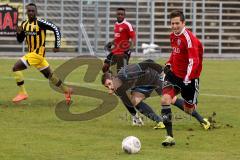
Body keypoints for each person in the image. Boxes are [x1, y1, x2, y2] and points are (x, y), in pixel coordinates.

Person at [102, 60, 210, 132]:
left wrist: (162, 71)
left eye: (109, 84)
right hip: (144, 85)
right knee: (134, 100)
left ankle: (202, 120)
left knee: (170, 100)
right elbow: (128, 103)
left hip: (154, 77)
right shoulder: (117, 89)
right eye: (107, 87)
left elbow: (148, 63)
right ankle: (160, 121)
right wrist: (135, 116)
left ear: (113, 78)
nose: (110, 88)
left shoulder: (126, 73)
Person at [160, 10, 210, 147]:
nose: (174, 26)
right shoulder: (172, 36)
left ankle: (200, 117)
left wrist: (187, 79)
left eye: (177, 23)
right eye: (172, 23)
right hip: (174, 76)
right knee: (164, 99)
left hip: (190, 79)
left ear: (183, 23)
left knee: (189, 109)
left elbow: (194, 61)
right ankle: (169, 137)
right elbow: (174, 53)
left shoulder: (189, 39)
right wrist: (169, 64)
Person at [12, 3, 72, 104]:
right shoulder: (24, 24)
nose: (31, 12)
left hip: (37, 54)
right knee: (50, 76)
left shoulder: (40, 22)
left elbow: (56, 28)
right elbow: (20, 40)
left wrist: (57, 45)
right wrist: (18, 33)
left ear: (36, 12)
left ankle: (23, 92)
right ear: (26, 12)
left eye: (33, 11)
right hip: (35, 56)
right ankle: (66, 91)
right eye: (29, 11)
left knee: (16, 68)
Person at [102, 7, 136, 74]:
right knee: (105, 67)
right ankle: (112, 78)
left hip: (123, 52)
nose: (120, 16)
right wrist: (111, 43)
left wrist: (130, 49)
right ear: (116, 15)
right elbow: (118, 38)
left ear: (124, 15)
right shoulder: (116, 24)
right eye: (118, 14)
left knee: (120, 72)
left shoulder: (127, 25)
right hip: (115, 51)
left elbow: (133, 38)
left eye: (122, 14)